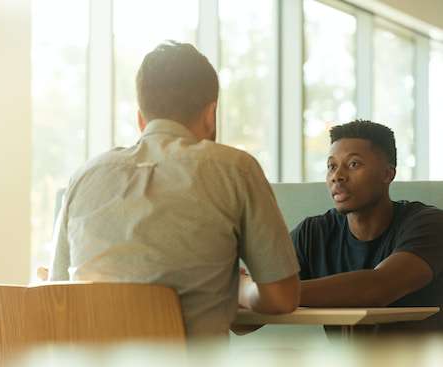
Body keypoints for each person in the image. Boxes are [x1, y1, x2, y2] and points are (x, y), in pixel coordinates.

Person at [49, 41, 300, 338]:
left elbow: (57, 294)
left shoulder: (84, 176)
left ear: (141, 118)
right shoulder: (235, 168)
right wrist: (241, 288)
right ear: (211, 114)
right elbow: (282, 298)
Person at [292, 120, 443, 333]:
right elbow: (245, 325)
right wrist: (245, 291)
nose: (337, 176)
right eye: (332, 166)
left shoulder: (429, 224)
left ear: (387, 174)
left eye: (353, 164)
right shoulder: (312, 233)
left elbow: (377, 288)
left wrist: (268, 293)